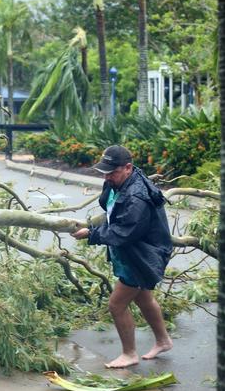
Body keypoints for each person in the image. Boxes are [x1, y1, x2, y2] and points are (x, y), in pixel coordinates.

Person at [71, 145, 173, 369]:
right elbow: (112, 213)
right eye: (104, 172)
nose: (107, 177)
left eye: (112, 172)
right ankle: (163, 340)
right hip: (131, 251)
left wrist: (91, 233)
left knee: (116, 305)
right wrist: (92, 226)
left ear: (128, 167)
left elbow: (124, 231)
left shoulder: (137, 196)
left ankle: (129, 353)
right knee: (143, 298)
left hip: (142, 255)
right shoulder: (119, 181)